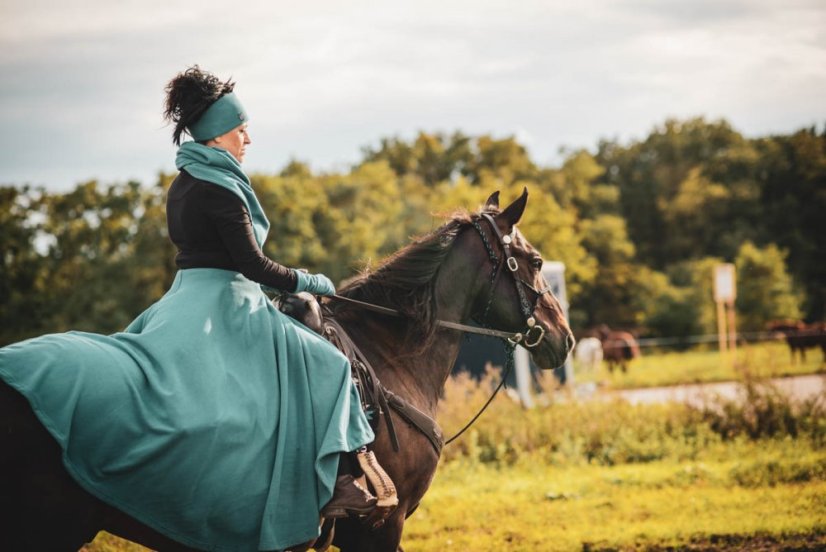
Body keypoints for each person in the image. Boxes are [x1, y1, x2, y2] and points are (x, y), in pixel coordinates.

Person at [0, 66, 382, 551]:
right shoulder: (222, 187)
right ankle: (345, 482)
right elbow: (251, 263)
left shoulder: (183, 183)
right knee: (327, 361)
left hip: (184, 296)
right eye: (242, 128)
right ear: (220, 132)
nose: (249, 137)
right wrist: (311, 280)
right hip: (227, 300)